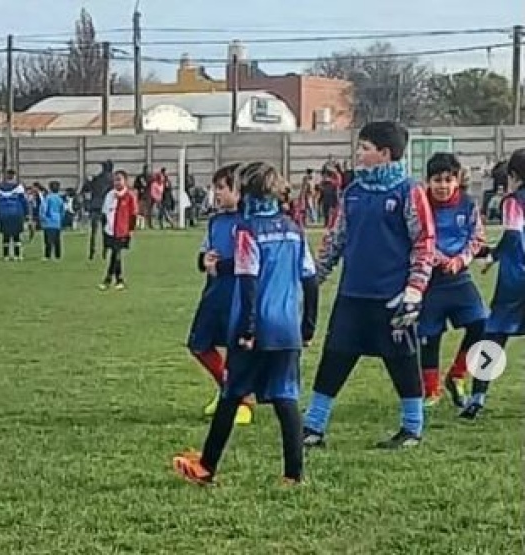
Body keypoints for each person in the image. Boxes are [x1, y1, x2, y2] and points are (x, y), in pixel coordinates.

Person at [172, 162, 318, 486]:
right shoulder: (295, 229)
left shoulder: (247, 230)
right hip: (287, 328)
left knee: (231, 394)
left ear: (248, 194)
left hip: (254, 326)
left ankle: (206, 467)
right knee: (285, 397)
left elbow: (249, 281)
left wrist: (247, 329)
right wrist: (308, 327)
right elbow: (310, 280)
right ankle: (294, 475)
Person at [304, 121, 435, 449]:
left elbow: (424, 242)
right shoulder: (353, 194)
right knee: (334, 357)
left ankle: (412, 428)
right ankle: (313, 426)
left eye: (364, 148)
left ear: (385, 153)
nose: (358, 154)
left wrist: (414, 289)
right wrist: (311, 279)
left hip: (393, 298)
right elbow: (336, 240)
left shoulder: (409, 191)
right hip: (353, 294)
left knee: (403, 360)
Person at [417, 153, 487, 408]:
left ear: (457, 181)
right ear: (428, 181)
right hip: (430, 278)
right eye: (437, 180)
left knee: (482, 324)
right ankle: (431, 390)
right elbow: (418, 234)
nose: (443, 186)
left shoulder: (468, 204)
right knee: (429, 334)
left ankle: (457, 375)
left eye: (448, 180)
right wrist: (437, 258)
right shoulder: (421, 203)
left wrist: (460, 259)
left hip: (459, 276)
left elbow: (477, 237)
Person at [186, 164, 253, 425]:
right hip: (213, 292)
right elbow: (206, 251)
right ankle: (229, 390)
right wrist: (204, 260)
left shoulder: (247, 222)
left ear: (239, 191)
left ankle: (243, 400)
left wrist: (220, 265)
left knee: (237, 347)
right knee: (198, 344)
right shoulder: (216, 221)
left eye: (222, 188)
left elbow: (249, 260)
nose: (216, 194)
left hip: (237, 292)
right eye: (215, 188)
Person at [461, 148, 525, 419]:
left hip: (516, 278)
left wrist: (493, 256)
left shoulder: (513, 201)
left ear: (512, 176)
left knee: (494, 336)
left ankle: (477, 398)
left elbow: (512, 234)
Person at [99, 170, 138, 291]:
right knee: (115, 254)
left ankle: (110, 279)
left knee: (116, 254)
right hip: (110, 229)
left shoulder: (129, 196)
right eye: (115, 180)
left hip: (122, 230)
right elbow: (105, 213)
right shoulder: (110, 195)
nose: (117, 182)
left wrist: (131, 229)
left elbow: (133, 214)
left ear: (125, 181)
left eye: (119, 179)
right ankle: (116, 280)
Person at [0, 170, 28, 261]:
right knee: (16, 235)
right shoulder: (19, 187)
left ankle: (6, 255)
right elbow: (24, 202)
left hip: (4, 213)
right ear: (14, 176)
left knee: (6, 235)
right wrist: (27, 214)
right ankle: (17, 255)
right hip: (16, 213)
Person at [83, 161, 114, 259]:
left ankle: (92, 252)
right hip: (107, 207)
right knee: (106, 231)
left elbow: (86, 189)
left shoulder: (97, 178)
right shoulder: (113, 180)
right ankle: (105, 252)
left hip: (95, 206)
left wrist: (88, 181)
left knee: (94, 231)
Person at [39, 181, 66, 260]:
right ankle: (58, 255)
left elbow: (43, 208)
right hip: (57, 221)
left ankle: (47, 256)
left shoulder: (48, 198)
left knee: (48, 240)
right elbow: (62, 211)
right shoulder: (60, 199)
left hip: (48, 221)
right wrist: (60, 218)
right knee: (57, 240)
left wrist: (42, 218)